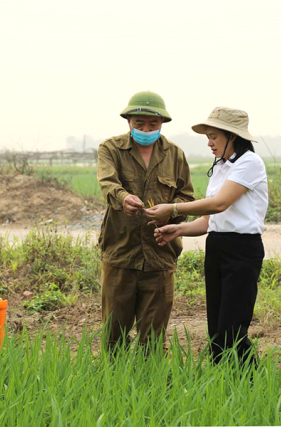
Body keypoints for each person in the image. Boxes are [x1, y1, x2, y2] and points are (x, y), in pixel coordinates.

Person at [144, 106, 268, 366]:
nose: (210, 143)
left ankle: (249, 384)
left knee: (232, 328)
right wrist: (177, 229)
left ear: (232, 136)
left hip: (242, 249)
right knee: (216, 328)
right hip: (218, 246)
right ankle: (223, 383)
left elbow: (218, 204)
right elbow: (209, 221)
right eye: (208, 137)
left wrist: (174, 208)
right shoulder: (222, 166)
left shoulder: (249, 163)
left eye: (214, 136)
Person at [97, 90, 194, 351]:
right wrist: (123, 198)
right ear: (128, 121)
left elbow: (186, 196)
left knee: (153, 336)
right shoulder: (111, 149)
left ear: (162, 123)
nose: (146, 129)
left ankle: (150, 383)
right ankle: (111, 383)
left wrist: (171, 211)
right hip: (120, 252)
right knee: (113, 334)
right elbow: (108, 183)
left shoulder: (175, 154)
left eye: (153, 124)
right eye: (139, 123)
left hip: (160, 253)